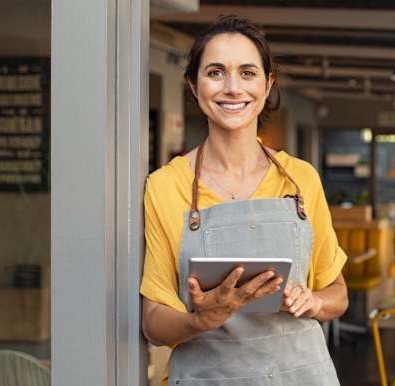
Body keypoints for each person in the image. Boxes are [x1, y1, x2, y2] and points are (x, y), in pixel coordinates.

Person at [140, 15, 347, 385]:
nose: (233, 88)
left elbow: (338, 293)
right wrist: (200, 320)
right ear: (193, 85)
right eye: (215, 72)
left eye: (247, 73)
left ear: (267, 85)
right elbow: (153, 323)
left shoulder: (301, 179)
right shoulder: (166, 186)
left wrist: (314, 302)